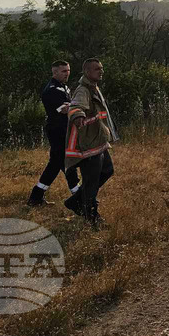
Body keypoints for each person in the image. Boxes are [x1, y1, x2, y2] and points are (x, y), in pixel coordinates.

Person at [64, 58, 119, 227]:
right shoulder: (83, 90)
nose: (101, 71)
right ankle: (92, 217)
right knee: (91, 181)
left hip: (98, 140)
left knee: (107, 170)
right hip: (89, 145)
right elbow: (75, 106)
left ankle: (75, 202)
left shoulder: (94, 87)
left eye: (101, 68)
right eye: (97, 69)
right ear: (87, 72)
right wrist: (77, 115)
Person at [27, 60, 82, 208]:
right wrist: (79, 104)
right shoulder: (51, 90)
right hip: (57, 130)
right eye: (64, 71)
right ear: (55, 72)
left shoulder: (63, 87)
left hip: (64, 129)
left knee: (61, 162)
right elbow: (65, 109)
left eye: (68, 70)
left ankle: (37, 196)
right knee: (62, 161)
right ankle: (77, 194)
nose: (67, 73)